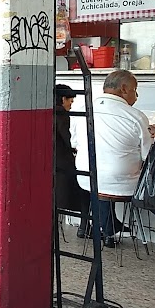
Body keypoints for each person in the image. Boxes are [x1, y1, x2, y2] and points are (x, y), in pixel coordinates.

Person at [75, 70, 155, 247]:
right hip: (122, 185)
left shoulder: (83, 109)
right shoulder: (136, 116)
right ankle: (113, 228)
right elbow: (148, 156)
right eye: (135, 90)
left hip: (87, 181)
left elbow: (75, 142)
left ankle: (108, 229)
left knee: (103, 178)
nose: (137, 95)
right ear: (124, 89)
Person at [54, 84, 90, 238]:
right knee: (85, 187)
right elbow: (70, 141)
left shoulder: (44, 112)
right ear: (63, 99)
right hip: (64, 165)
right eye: (71, 101)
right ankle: (84, 226)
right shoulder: (61, 115)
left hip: (53, 164)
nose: (71, 105)